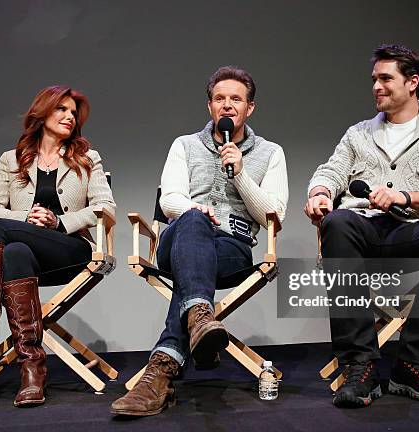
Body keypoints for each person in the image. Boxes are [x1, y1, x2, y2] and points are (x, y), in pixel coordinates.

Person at [304, 44, 419, 408]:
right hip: (363, 230)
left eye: (386, 78)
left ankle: (414, 363)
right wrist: (320, 193)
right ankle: (360, 366)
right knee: (336, 222)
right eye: (374, 79)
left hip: (412, 231)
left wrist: (403, 197)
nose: (376, 87)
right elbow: (331, 172)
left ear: (412, 82)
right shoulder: (358, 133)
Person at [110, 66, 288, 417]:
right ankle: (199, 321)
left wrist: (240, 174)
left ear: (249, 108)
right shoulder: (185, 145)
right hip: (179, 240)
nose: (227, 105)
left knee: (192, 284)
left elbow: (273, 214)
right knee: (192, 220)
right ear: (209, 106)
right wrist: (198, 212)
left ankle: (162, 368)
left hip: (232, 249)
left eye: (235, 99)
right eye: (219, 99)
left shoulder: (271, 153)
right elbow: (170, 200)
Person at [0, 85, 116, 407]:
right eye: (62, 109)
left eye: (73, 113)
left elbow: (106, 207)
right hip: (26, 258)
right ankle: (32, 368)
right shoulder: (11, 160)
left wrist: (58, 222)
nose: (69, 117)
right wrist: (26, 217)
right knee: (14, 250)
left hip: (70, 250)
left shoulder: (87, 158)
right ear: (43, 113)